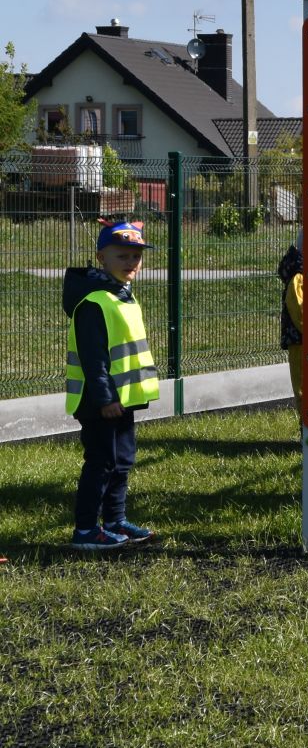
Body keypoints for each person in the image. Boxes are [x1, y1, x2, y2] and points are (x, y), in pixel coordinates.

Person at [64, 220, 162, 550]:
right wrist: (106, 398)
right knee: (101, 463)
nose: (131, 263)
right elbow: (94, 359)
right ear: (101, 258)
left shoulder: (122, 297)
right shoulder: (94, 302)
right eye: (122, 256)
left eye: (136, 257)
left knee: (122, 461)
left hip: (122, 400)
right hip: (99, 402)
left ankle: (115, 520)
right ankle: (86, 531)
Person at [277, 231, 305, 401]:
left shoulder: (303, 271)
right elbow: (299, 310)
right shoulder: (299, 275)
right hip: (301, 339)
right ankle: (306, 422)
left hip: (306, 338)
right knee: (303, 385)